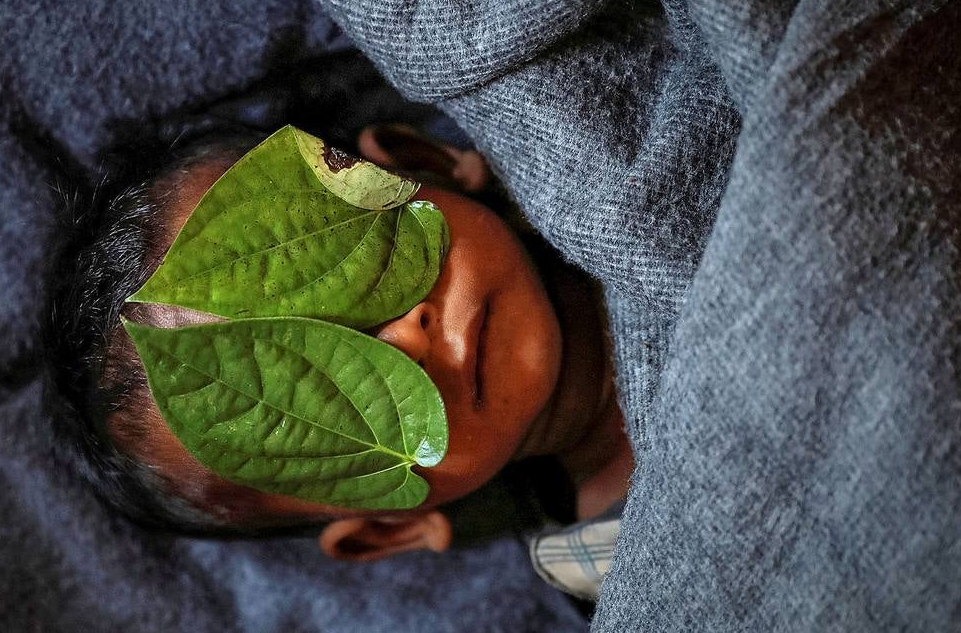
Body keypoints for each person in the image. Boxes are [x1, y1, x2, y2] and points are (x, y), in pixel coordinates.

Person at [48, 115, 635, 575]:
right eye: (330, 402)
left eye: (359, 266)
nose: (406, 339)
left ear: (421, 163)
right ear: (389, 526)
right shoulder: (624, 570)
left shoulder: (606, 147)